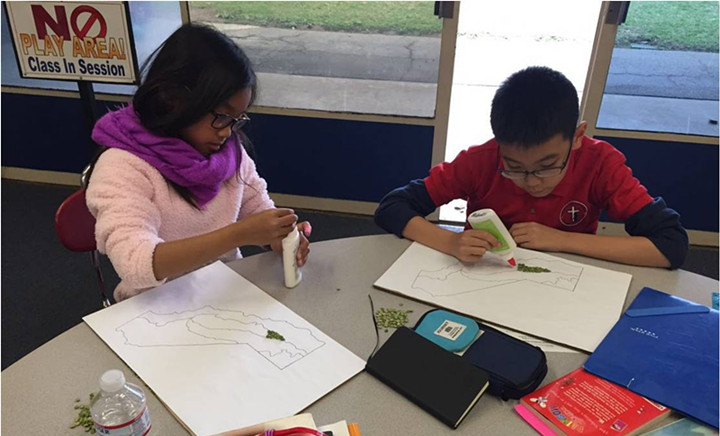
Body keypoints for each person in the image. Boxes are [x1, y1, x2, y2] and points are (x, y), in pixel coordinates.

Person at [374, 66, 688, 269]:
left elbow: (671, 245)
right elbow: (392, 207)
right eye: (513, 167)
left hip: (565, 279)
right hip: (481, 276)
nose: (531, 181)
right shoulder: (481, 160)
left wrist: (562, 239)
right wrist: (450, 241)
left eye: (547, 166)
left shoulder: (600, 164)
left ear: (577, 137)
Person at [86, 23, 310, 302]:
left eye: (237, 119)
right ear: (173, 99)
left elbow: (256, 207)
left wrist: (278, 235)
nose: (227, 132)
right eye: (222, 116)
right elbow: (135, 264)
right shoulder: (122, 166)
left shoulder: (229, 153)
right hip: (154, 307)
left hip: (222, 291)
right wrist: (237, 235)